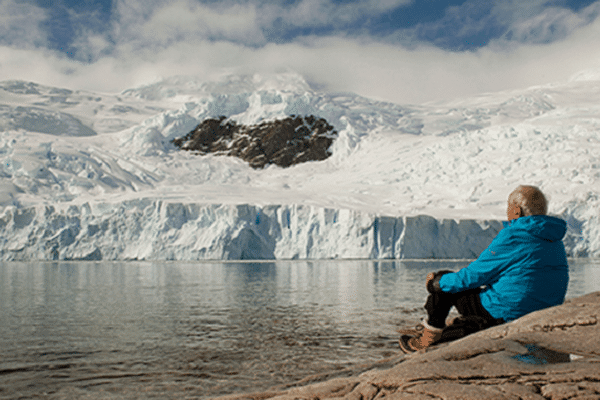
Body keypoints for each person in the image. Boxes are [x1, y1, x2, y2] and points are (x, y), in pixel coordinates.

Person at [399, 185, 569, 353]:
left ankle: (428, 338)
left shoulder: (513, 236)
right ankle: (451, 327)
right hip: (542, 312)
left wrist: (436, 283)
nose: (507, 212)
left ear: (516, 211)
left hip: (508, 313)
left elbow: (474, 276)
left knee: (445, 282)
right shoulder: (554, 239)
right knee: (458, 287)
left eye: (509, 208)